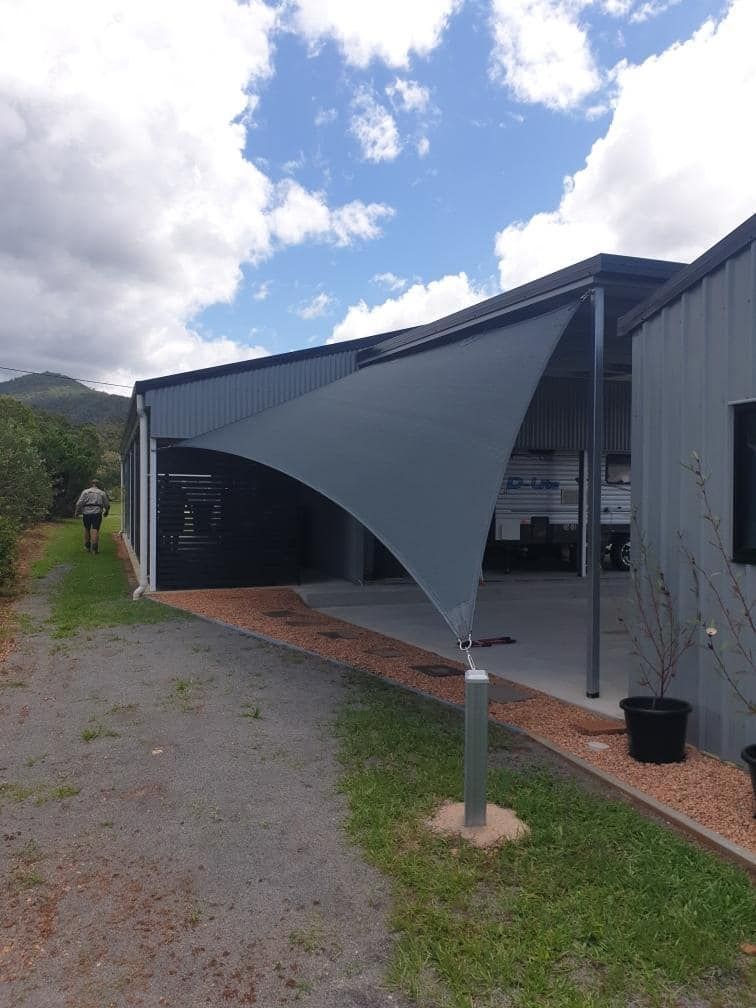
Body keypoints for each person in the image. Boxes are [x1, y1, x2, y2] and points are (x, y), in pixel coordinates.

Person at [74, 479, 110, 554]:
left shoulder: (85, 492)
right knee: (95, 529)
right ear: (98, 485)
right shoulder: (101, 493)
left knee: (87, 528)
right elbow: (107, 504)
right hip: (97, 513)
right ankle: (94, 548)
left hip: (86, 513)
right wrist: (106, 511)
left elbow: (79, 503)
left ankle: (87, 547)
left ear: (91, 484)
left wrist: (76, 512)